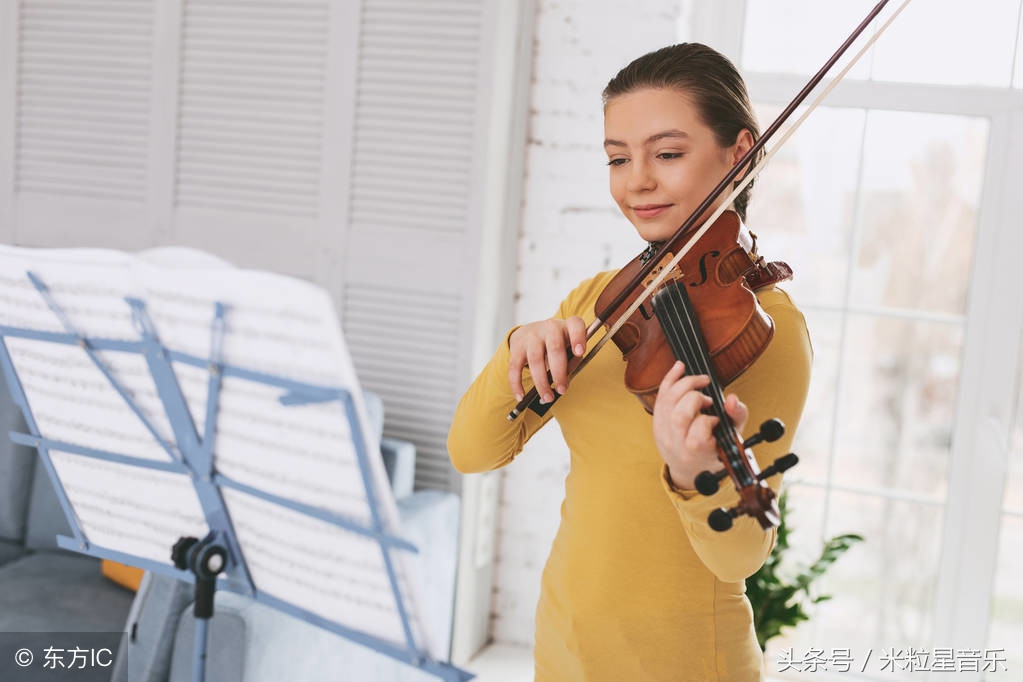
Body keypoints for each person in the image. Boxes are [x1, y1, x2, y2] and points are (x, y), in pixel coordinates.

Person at [447, 43, 813, 682]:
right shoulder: (601, 301)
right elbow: (472, 453)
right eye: (618, 158)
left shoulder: (766, 329)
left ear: (740, 152)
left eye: (667, 154)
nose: (636, 180)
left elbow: (742, 556)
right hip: (563, 649)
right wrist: (516, 351)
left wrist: (691, 467)